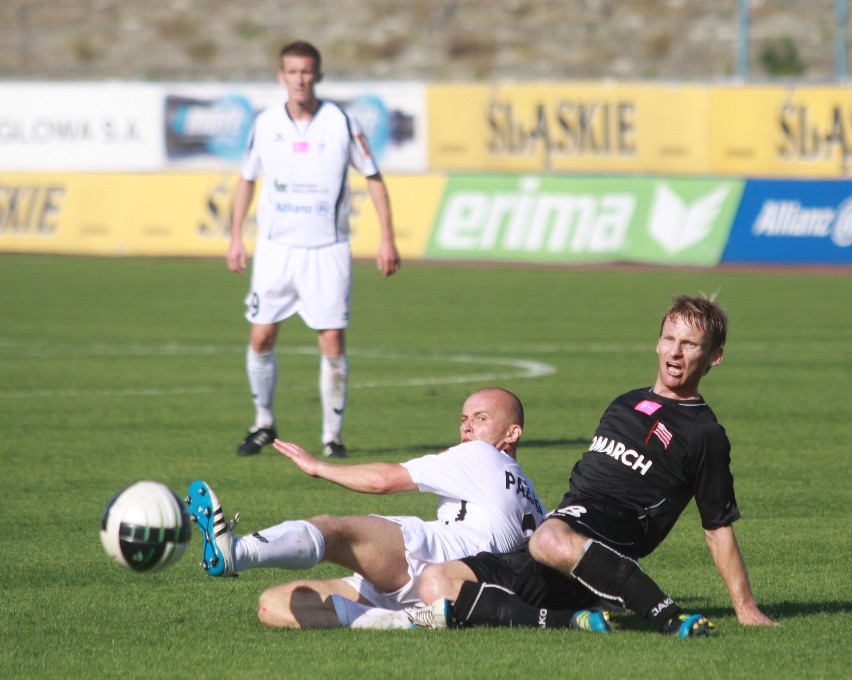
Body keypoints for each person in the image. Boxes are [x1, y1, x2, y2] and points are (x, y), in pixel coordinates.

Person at [362, 295, 778, 637]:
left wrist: (745, 608)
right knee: (436, 583)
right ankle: (571, 618)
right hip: (556, 542)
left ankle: (668, 616)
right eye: (669, 338)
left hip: (603, 534)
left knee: (548, 539)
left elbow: (717, 525)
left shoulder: (703, 432)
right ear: (656, 343)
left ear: (715, 356)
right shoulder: (625, 402)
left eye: (689, 344)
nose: (674, 351)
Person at [186, 388, 612, 631]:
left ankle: (234, 553)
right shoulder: (532, 494)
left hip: (437, 554)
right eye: (464, 418)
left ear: (511, 432)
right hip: (462, 583)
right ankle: (406, 621)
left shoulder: (481, 455)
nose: (467, 427)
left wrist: (319, 468)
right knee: (273, 604)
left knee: (335, 530)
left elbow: (385, 480)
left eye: (480, 418)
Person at [227, 40, 401, 458]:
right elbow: (247, 178)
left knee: (332, 343)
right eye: (292, 71)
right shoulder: (266, 124)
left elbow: (374, 177)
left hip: (328, 249)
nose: (300, 79)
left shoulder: (340, 122)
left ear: (318, 75)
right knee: (262, 335)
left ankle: (331, 436)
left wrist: (387, 237)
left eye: (307, 71)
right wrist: (235, 237)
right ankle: (263, 422)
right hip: (275, 249)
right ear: (281, 76)